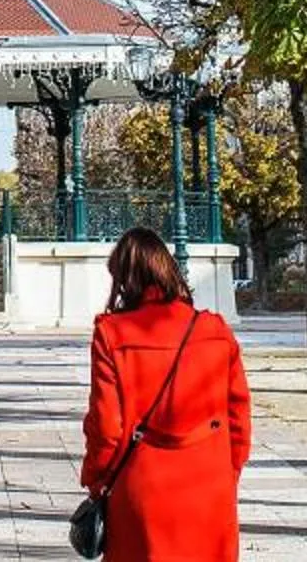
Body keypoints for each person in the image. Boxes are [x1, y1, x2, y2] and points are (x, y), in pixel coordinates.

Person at [80, 227, 251, 562]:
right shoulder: (214, 330)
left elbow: (107, 426)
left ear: (124, 280)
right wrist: (227, 472)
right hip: (208, 484)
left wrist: (96, 479)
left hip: (142, 487)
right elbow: (239, 417)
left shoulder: (112, 334)